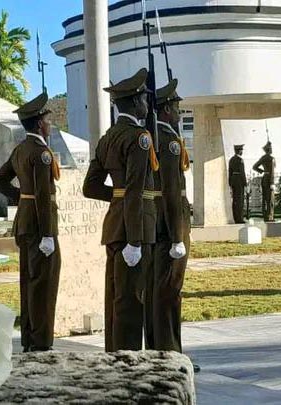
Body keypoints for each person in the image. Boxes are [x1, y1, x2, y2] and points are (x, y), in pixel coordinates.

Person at [83, 68, 159, 352]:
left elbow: (90, 187)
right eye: (144, 99)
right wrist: (135, 240)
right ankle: (127, 362)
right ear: (135, 101)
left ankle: (114, 352)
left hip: (115, 224)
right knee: (132, 300)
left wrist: (117, 198)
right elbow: (136, 190)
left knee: (116, 296)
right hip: (134, 229)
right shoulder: (139, 137)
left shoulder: (108, 137)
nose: (147, 104)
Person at [0, 92, 61, 352]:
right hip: (40, 227)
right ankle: (42, 342)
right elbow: (43, 196)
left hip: (24, 223)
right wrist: (47, 234)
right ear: (38, 124)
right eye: (47, 120)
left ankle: (30, 339)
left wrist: (21, 198)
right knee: (44, 284)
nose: (50, 125)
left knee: (29, 282)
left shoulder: (20, 150)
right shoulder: (41, 153)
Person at [147, 78, 192, 351]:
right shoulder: (169, 142)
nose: (179, 112)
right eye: (176, 107)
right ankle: (169, 350)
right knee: (169, 292)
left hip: (158, 221)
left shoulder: (155, 137)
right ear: (165, 110)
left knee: (157, 290)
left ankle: (158, 346)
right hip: (170, 224)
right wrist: (178, 236)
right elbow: (173, 191)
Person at [253, 141, 276, 222]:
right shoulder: (271, 159)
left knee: (265, 198)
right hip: (269, 179)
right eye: (271, 148)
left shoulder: (263, 158)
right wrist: (272, 182)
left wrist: (262, 171)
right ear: (269, 150)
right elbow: (272, 172)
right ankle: (270, 216)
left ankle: (265, 215)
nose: (272, 150)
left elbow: (254, 167)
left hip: (264, 178)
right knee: (270, 199)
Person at [228, 145, 247, 224]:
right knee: (240, 200)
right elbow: (242, 172)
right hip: (239, 180)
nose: (242, 151)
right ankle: (240, 218)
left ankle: (235, 217)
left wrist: (230, 182)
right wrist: (245, 183)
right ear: (239, 151)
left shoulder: (231, 159)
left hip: (233, 180)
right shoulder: (240, 160)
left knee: (235, 200)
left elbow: (230, 172)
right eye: (241, 150)